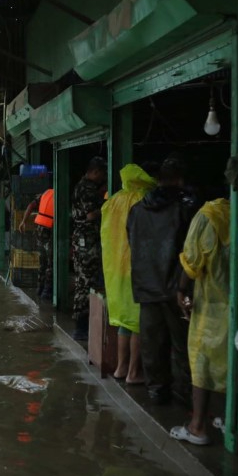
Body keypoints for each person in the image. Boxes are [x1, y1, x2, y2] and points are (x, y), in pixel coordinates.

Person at [126, 156, 198, 404]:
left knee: (152, 344)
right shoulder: (185, 207)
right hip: (177, 287)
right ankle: (187, 394)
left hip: (146, 285)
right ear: (180, 179)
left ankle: (157, 391)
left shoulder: (137, 211)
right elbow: (192, 249)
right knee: (183, 345)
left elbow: (132, 242)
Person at [170, 196, 231, 445]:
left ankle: (198, 427)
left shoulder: (207, 216)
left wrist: (181, 290)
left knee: (202, 361)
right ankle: (232, 420)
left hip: (211, 304)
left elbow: (192, 261)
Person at [100, 163, 156, 384]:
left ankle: (120, 369)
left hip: (116, 269)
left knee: (125, 321)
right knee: (137, 322)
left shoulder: (113, 201)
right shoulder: (144, 200)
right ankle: (134, 372)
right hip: (137, 268)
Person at [71, 157, 108, 340]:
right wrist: (108, 206)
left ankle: (83, 326)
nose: (103, 177)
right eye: (101, 173)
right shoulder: (87, 188)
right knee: (86, 283)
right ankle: (81, 327)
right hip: (87, 241)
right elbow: (91, 214)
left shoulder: (83, 186)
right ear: (95, 171)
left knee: (84, 282)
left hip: (84, 240)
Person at [21, 187, 55, 299]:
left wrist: (24, 221)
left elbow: (31, 205)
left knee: (42, 261)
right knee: (50, 263)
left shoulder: (45, 193)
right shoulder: (61, 195)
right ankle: (46, 292)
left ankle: (39, 289)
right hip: (50, 229)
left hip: (40, 229)